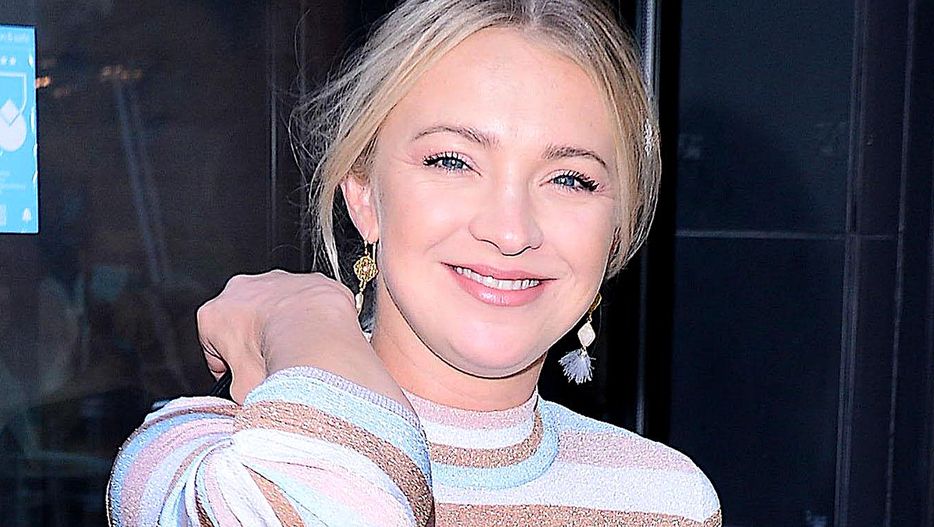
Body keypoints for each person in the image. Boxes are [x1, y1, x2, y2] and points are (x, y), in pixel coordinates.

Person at [107, 0, 721, 524]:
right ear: (363, 195)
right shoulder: (192, 457)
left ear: (615, 229)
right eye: (452, 161)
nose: (511, 231)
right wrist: (308, 312)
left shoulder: (666, 500)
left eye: (569, 178)